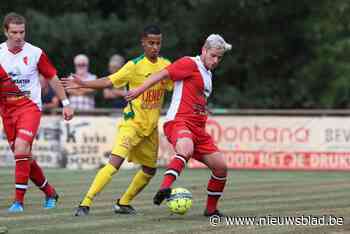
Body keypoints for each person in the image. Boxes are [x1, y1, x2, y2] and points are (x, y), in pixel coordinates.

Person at [62, 25, 172, 216]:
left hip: (151, 128)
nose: (155, 47)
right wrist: (83, 83)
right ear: (143, 43)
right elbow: (107, 81)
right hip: (131, 125)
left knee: (149, 170)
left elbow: (176, 85)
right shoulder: (133, 66)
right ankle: (85, 203)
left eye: (158, 43)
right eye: (151, 43)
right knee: (114, 163)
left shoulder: (166, 65)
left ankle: (123, 203)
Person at [125, 34, 232, 217]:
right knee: (186, 148)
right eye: (213, 55)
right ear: (204, 50)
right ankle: (164, 188)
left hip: (198, 129)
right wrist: (138, 90)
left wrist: (204, 109)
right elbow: (163, 73)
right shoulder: (189, 63)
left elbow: (196, 97)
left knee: (221, 167)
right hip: (178, 122)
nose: (215, 61)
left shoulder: (208, 74)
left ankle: (211, 210)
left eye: (219, 58)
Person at [0, 12, 74, 213]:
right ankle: (50, 192)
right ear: (5, 32)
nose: (18, 36)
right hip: (7, 111)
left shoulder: (35, 53)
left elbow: (52, 78)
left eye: (22, 32)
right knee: (24, 156)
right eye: (14, 32)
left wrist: (66, 103)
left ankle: (18, 202)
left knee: (22, 149)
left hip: (29, 107)